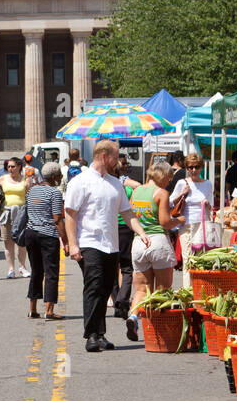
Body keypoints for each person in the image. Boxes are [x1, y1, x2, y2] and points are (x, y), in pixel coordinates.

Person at [64, 139, 140, 353]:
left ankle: (100, 333)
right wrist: (73, 244)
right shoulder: (80, 181)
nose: (119, 161)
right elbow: (70, 214)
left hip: (111, 245)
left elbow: (127, 212)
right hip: (89, 243)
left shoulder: (116, 184)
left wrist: (141, 233)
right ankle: (90, 335)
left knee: (107, 288)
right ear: (104, 156)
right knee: (94, 287)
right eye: (116, 157)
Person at [127, 160, 181, 342]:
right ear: (162, 175)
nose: (169, 181)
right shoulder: (161, 193)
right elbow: (165, 222)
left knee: (141, 289)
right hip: (158, 241)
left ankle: (133, 317)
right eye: (169, 177)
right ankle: (158, 329)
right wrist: (179, 220)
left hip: (139, 242)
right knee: (162, 289)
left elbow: (132, 215)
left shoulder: (137, 192)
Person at [24, 161, 67, 320]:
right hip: (47, 235)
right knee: (51, 272)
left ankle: (32, 309)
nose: (61, 178)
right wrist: (66, 241)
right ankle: (49, 311)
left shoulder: (31, 190)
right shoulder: (55, 193)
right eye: (60, 176)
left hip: (31, 233)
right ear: (55, 177)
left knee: (36, 271)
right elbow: (57, 219)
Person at [169, 153, 214, 286]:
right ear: (186, 168)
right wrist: (182, 193)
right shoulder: (182, 183)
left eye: (196, 167)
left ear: (201, 168)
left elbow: (211, 206)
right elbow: (170, 202)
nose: (193, 170)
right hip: (186, 225)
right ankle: (188, 291)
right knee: (188, 258)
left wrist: (207, 204)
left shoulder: (207, 184)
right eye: (190, 167)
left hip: (202, 225)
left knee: (200, 260)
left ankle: (200, 289)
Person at [113, 160, 142, 321]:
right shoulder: (125, 186)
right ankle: (122, 299)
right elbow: (138, 186)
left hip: (110, 227)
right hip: (125, 226)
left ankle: (118, 299)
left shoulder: (105, 185)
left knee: (112, 266)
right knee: (126, 266)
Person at [0, 157, 31, 278]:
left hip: (21, 213)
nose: (10, 168)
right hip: (6, 213)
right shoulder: (3, 178)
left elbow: (30, 194)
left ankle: (22, 267)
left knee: (21, 242)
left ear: (19, 167)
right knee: (8, 242)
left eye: (13, 166)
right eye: (8, 166)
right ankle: (11, 269)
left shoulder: (26, 180)